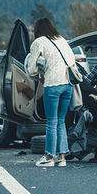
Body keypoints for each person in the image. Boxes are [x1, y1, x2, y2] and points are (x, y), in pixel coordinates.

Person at [25, 18, 75, 167]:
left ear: (37, 30)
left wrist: (40, 71)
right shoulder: (62, 39)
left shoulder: (39, 42)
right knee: (61, 121)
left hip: (53, 85)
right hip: (68, 85)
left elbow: (32, 69)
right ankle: (62, 157)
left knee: (51, 122)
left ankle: (49, 157)